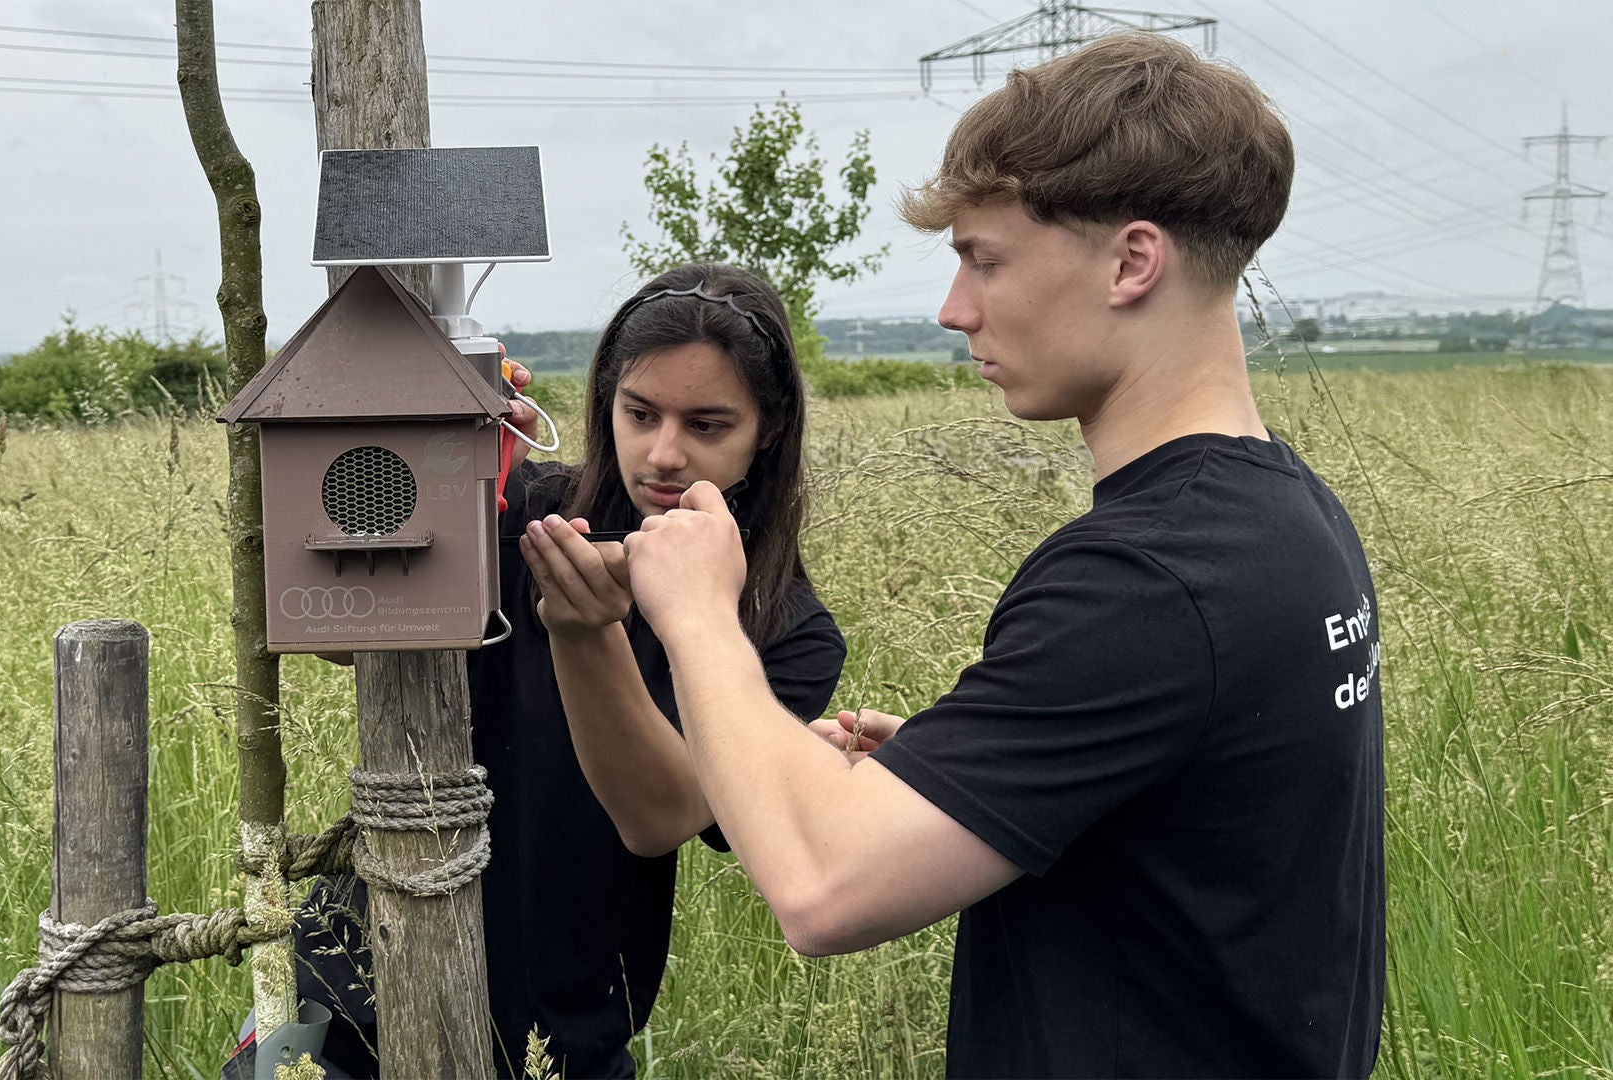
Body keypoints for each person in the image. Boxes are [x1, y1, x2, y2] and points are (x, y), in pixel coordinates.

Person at [620, 34, 1385, 1079]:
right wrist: (964, 774)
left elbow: (820, 887)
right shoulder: (1290, 515)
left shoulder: (1148, 580)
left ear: (1132, 261)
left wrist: (700, 615)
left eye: (985, 258)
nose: (955, 308)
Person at [293, 262, 846, 1078]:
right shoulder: (531, 516)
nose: (664, 453)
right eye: (640, 413)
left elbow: (661, 815)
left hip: (557, 1033)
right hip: (355, 988)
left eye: (707, 424)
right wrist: (426, 460)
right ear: (604, 404)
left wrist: (589, 633)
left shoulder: (784, 632)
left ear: (767, 428)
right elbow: (345, 638)